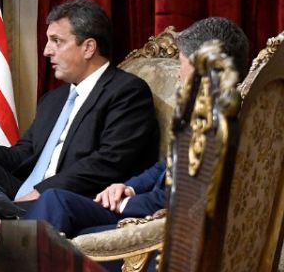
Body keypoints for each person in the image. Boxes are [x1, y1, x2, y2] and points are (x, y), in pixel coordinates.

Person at [0, 0, 159, 219]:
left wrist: (40, 193)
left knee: (44, 202)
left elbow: (107, 163)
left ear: (88, 48)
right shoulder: (53, 100)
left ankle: (6, 212)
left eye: (57, 41)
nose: (46, 51)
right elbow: (18, 158)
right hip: (23, 196)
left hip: (72, 199)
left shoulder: (126, 91)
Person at [24, 17, 252, 238]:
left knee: (66, 231)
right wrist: (127, 187)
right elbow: (165, 166)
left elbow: (183, 199)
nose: (179, 75)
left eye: (183, 65)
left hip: (157, 233)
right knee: (56, 201)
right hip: (142, 211)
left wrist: (125, 203)